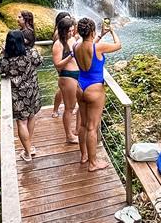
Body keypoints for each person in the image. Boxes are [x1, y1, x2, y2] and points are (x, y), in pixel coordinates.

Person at [73, 17, 121, 171]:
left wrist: (100, 35)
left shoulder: (75, 46)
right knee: (92, 127)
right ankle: (93, 163)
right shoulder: (98, 48)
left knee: (83, 124)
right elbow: (118, 45)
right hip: (95, 89)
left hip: (80, 87)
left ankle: (84, 156)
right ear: (92, 31)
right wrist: (112, 31)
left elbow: (88, 45)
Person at [0, 29, 42, 161]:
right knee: (32, 115)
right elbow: (39, 62)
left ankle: (27, 153)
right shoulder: (31, 53)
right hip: (32, 91)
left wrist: (2, 54)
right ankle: (29, 145)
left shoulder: (7, 60)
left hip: (18, 95)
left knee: (21, 122)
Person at [51, 15, 79, 144]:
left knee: (80, 105)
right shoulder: (58, 44)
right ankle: (69, 135)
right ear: (62, 30)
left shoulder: (73, 39)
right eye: (69, 30)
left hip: (78, 74)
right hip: (67, 76)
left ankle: (77, 130)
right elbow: (57, 64)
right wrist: (70, 56)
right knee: (69, 108)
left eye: (72, 30)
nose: (71, 32)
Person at [51, 11, 71, 118]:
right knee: (62, 89)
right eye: (66, 19)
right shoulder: (57, 35)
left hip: (67, 62)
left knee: (64, 89)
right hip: (62, 63)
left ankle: (62, 108)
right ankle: (55, 109)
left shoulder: (66, 33)